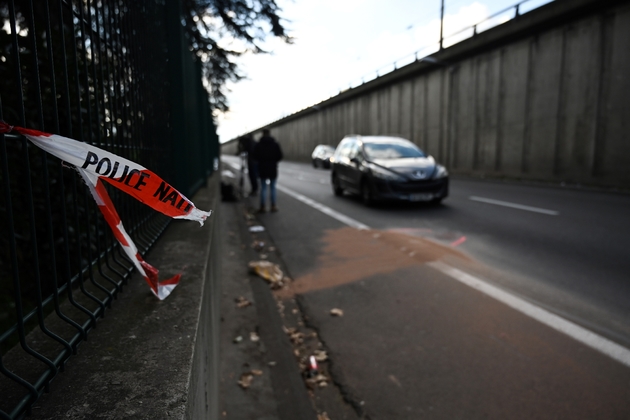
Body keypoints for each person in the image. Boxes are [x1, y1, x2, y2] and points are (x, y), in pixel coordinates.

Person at [252, 129, 283, 213]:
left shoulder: (259, 145)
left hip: (262, 168)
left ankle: (263, 206)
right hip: (272, 168)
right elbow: (280, 156)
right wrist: (273, 161)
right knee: (273, 187)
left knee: (263, 187)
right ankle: (273, 205)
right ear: (269, 134)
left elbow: (254, 156)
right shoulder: (275, 144)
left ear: (263, 134)